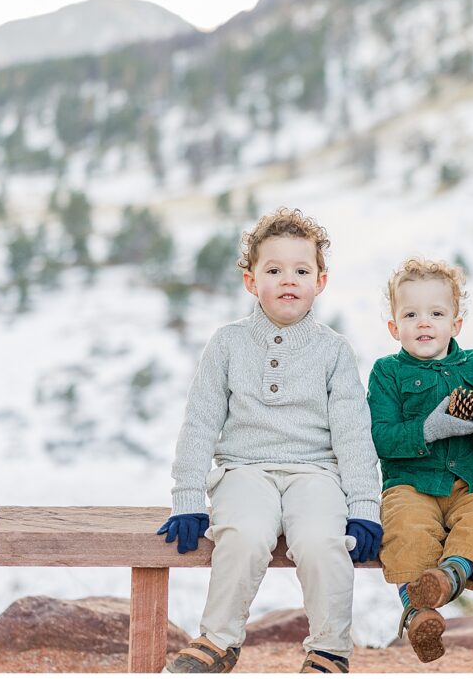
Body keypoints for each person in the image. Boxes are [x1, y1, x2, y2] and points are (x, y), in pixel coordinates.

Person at [158, 208, 383, 674]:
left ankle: (329, 649)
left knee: (323, 541)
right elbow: (199, 423)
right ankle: (219, 640)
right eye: (274, 270)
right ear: (250, 281)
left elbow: (353, 434)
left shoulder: (333, 351)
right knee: (243, 535)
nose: (288, 280)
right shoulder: (227, 344)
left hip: (316, 474)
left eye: (301, 271)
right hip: (245, 470)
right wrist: (186, 497)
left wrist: (364, 507)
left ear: (320, 281)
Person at [367, 258, 473, 663]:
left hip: (471, 482)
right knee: (404, 529)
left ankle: (447, 577)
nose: (423, 323)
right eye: (411, 314)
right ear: (393, 327)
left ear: (456, 324)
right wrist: (427, 430)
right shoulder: (386, 373)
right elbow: (379, 436)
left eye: (436, 314)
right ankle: (420, 614)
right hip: (411, 485)